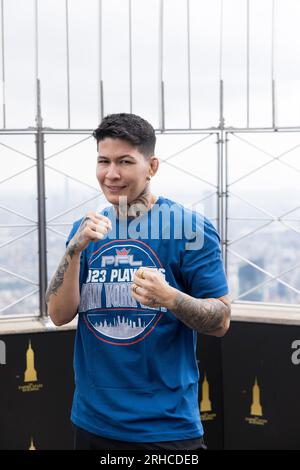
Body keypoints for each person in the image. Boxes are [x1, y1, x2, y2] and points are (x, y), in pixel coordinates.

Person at [46, 113, 230, 451]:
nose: (111, 174)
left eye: (125, 162)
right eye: (103, 161)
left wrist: (170, 297)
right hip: (92, 423)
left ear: (152, 166)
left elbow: (221, 320)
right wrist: (73, 251)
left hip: (167, 428)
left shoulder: (189, 228)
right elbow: (58, 314)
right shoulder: (85, 229)